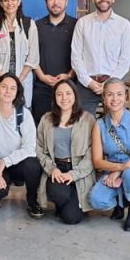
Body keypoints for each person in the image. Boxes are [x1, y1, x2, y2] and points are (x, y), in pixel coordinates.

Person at [89, 78, 130, 232]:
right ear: (104, 98)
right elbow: (97, 161)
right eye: (110, 94)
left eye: (119, 94)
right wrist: (119, 168)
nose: (115, 99)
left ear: (126, 96)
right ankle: (121, 201)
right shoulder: (99, 125)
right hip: (112, 170)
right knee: (96, 200)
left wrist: (121, 170)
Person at [0, 72, 44, 216]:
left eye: (13, 88)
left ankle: (32, 200)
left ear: (17, 92)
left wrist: (5, 162)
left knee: (33, 166)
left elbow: (29, 148)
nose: (8, 91)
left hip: (17, 163)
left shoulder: (24, 114)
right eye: (4, 87)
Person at [35, 79, 95, 225]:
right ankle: (65, 201)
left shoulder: (88, 119)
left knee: (72, 218)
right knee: (58, 194)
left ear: (75, 95)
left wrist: (74, 174)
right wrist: (52, 169)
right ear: (54, 97)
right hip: (57, 167)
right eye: (59, 94)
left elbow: (92, 152)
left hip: (79, 169)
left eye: (68, 93)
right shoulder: (46, 119)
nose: (64, 98)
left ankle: (73, 201)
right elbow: (39, 148)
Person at [71, 0, 130, 114]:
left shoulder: (123, 24)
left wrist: (109, 83)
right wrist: (88, 82)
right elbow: (76, 56)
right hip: (86, 84)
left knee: (115, 124)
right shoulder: (83, 23)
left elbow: (125, 59)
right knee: (84, 123)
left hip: (114, 85)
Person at [32, 0, 77, 123]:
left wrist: (69, 75)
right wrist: (42, 76)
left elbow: (82, 55)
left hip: (69, 86)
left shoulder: (77, 25)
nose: (55, 2)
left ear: (66, 1)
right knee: (42, 125)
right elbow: (31, 55)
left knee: (67, 125)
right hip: (42, 86)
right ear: (46, 2)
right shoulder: (36, 26)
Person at [0, 0, 40, 103]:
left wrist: (18, 80)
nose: (9, 3)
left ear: (19, 2)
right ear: (1, 4)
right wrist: (4, 81)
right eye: (5, 0)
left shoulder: (29, 24)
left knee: (22, 110)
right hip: (0, 79)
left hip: (23, 79)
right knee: (0, 108)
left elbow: (33, 56)